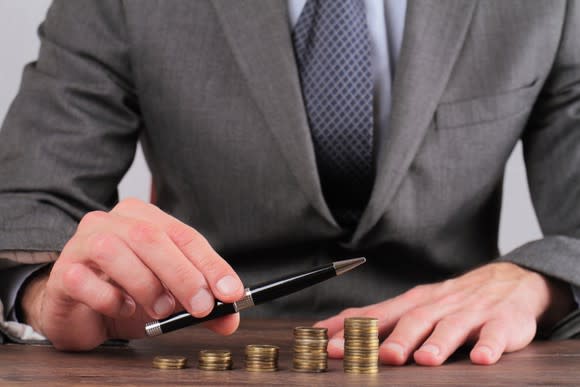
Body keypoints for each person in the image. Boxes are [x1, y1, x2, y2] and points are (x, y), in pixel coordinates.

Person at [0, 0, 579, 367]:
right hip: (198, 348)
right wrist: (48, 289)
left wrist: (538, 283)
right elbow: (28, 202)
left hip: (450, 358)